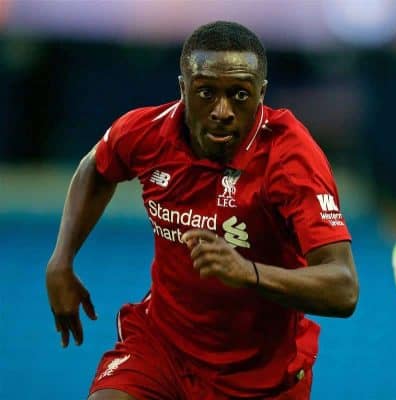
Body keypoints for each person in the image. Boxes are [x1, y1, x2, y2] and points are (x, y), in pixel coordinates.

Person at [45, 21, 359, 400]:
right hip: (161, 347)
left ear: (261, 94)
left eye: (239, 95)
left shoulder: (291, 160)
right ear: (183, 89)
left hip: (260, 377)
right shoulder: (147, 132)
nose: (222, 111)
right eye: (206, 92)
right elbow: (96, 168)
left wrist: (248, 273)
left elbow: (343, 287)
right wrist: (61, 260)